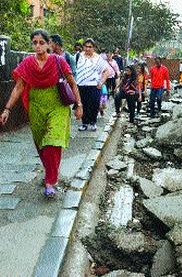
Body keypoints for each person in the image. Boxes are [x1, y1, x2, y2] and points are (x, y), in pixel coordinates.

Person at [0, 29, 83, 198]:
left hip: (58, 106)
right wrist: (7, 109)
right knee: (42, 145)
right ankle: (49, 172)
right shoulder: (27, 63)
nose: (38, 46)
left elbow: (73, 83)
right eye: (35, 43)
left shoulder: (59, 61)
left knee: (53, 140)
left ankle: (50, 182)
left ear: (48, 44)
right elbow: (18, 87)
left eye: (41, 43)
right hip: (36, 106)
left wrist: (79, 105)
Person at [76, 38, 109, 131]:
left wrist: (101, 82)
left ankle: (93, 122)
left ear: (94, 48)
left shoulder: (98, 58)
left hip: (94, 86)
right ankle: (84, 123)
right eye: (86, 46)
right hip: (81, 85)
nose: (87, 49)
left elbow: (107, 71)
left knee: (94, 105)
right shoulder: (79, 56)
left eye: (90, 47)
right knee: (83, 104)